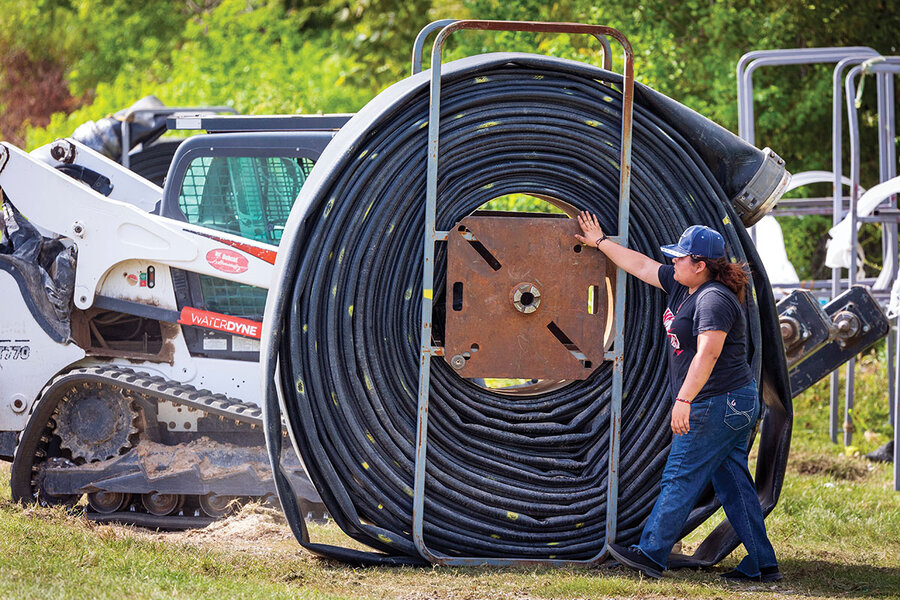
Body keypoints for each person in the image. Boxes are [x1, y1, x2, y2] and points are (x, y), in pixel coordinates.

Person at [575, 211, 780, 582]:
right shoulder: (684, 286)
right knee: (733, 484)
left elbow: (708, 353)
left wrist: (683, 400)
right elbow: (641, 266)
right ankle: (764, 564)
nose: (673, 260)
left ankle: (651, 554)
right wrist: (601, 242)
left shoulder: (713, 299)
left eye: (680, 256)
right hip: (731, 403)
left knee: (679, 476)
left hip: (717, 403)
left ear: (700, 265)